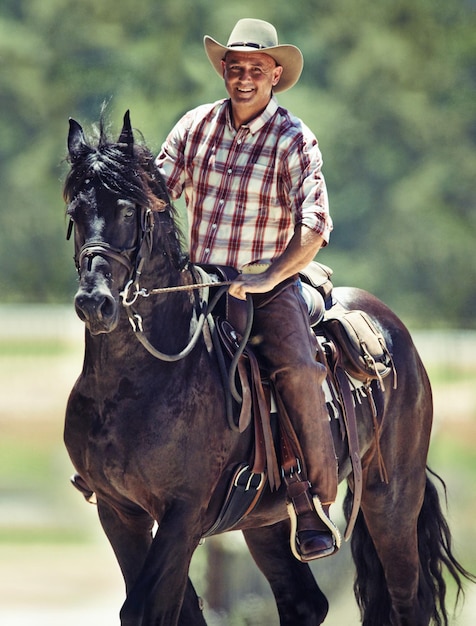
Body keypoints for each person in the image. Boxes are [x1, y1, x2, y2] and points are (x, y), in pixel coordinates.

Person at [155, 18, 340, 560]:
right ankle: (112, 459)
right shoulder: (194, 127)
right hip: (199, 281)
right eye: (234, 68)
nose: (243, 78)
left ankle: (310, 496)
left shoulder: (293, 138)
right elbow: (159, 196)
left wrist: (267, 277)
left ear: (275, 75)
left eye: (255, 69)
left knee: (296, 366)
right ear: (223, 72)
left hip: (268, 284)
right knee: (135, 342)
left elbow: (315, 226)